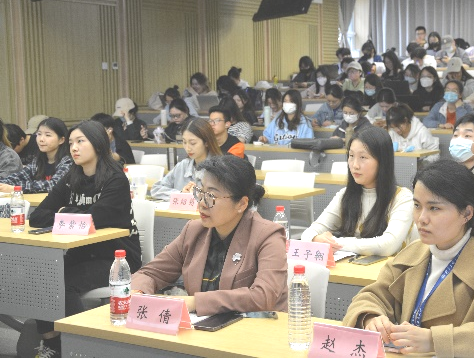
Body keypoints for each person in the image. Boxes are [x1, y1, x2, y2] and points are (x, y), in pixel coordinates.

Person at [342, 159, 474, 357]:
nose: (421, 218)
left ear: (467, 213)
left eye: (434, 208)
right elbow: (372, 296)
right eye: (417, 205)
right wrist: (371, 318)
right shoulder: (414, 252)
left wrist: (434, 340)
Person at [30, 120, 141, 357]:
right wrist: (72, 214)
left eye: (80, 141)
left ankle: (80, 349)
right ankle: (52, 345)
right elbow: (37, 217)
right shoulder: (72, 177)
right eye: (71, 143)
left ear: (98, 144)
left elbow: (95, 219)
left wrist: (64, 212)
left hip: (117, 258)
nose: (74, 148)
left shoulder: (115, 179)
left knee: (64, 283)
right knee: (43, 276)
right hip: (83, 252)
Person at [133, 156, 287, 316]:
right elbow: (150, 273)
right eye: (200, 192)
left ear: (241, 204)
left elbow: (263, 296)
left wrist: (195, 302)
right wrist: (137, 291)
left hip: (254, 327)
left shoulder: (268, 236)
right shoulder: (194, 230)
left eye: (211, 196)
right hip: (202, 326)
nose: (201, 203)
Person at [301, 127, 414, 256]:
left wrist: (334, 242)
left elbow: (388, 246)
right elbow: (308, 233)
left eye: (363, 157)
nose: (355, 165)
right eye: (351, 156)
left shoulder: (402, 198)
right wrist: (315, 238)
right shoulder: (345, 195)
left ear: (382, 161)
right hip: (353, 266)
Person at [151, 118, 223, 200]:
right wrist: (181, 194)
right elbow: (156, 189)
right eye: (184, 142)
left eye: (193, 143)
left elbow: (223, 199)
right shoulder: (182, 165)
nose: (187, 148)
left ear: (206, 142)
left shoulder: (219, 168)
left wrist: (198, 195)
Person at [0, 117, 71, 193]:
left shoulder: (68, 161)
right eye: (39, 134)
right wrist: (3, 184)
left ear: (61, 140)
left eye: (48, 135)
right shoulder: (38, 161)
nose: (41, 139)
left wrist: (16, 188)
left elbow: (53, 185)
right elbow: (19, 176)